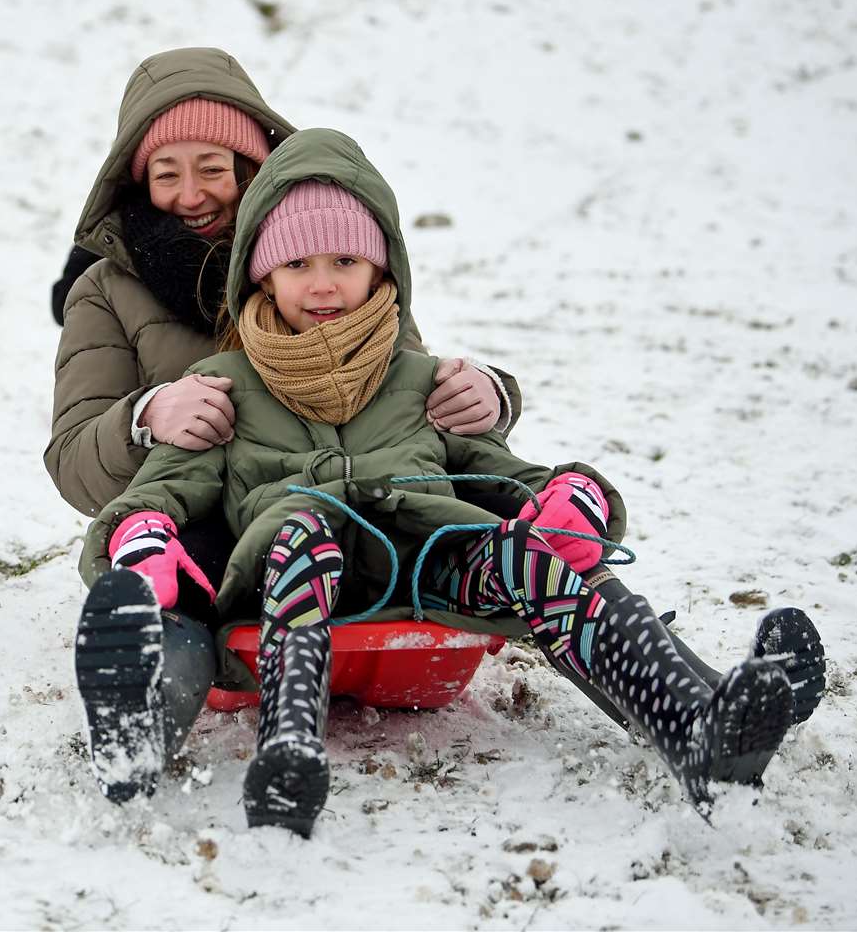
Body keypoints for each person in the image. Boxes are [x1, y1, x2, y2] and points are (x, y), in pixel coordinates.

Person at [74, 128, 826, 835]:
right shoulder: (225, 383)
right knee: (306, 537)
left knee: (530, 557)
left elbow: (498, 471)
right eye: (298, 264)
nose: (323, 284)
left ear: (382, 269)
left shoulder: (421, 379)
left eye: (344, 262)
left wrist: (567, 498)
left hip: (427, 566)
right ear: (261, 272)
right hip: (290, 572)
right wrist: (142, 544)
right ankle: (287, 751)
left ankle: (692, 729)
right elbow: (164, 489)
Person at [51, 48, 529, 781]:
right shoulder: (105, 294)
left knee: (489, 528)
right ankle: (138, 727)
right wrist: (147, 415)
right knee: (189, 590)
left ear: (250, 165)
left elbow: (403, 387)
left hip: (330, 516)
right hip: (197, 510)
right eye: (165, 172)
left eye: (212, 166)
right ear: (136, 180)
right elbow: (74, 461)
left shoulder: (326, 255)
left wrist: (492, 395)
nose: (189, 193)